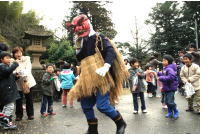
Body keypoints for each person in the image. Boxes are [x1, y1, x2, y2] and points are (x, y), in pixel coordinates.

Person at [66, 14, 128, 134]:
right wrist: (78, 46)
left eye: (80, 26)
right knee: (85, 104)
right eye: (76, 28)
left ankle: (121, 123)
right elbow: (81, 59)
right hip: (87, 78)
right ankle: (93, 129)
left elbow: (110, 51)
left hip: (102, 77)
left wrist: (106, 66)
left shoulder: (99, 37)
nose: (78, 29)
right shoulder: (80, 41)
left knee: (102, 105)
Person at [12, 47, 36, 121]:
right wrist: (16, 73)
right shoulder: (12, 61)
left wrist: (18, 73)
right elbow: (12, 71)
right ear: (13, 54)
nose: (18, 54)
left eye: (20, 52)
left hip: (27, 81)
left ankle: (30, 114)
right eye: (16, 53)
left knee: (29, 98)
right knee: (18, 100)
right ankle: (19, 115)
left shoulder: (27, 59)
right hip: (18, 82)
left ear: (22, 53)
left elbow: (28, 70)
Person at [0, 52, 20, 130]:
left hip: (8, 89)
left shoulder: (6, 66)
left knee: (7, 106)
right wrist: (15, 64)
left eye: (9, 58)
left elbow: (8, 76)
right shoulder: (1, 66)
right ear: (1, 59)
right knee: (10, 106)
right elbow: (7, 72)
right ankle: (6, 122)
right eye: (7, 58)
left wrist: (16, 76)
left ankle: (3, 120)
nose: (9, 59)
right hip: (6, 90)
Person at [157, 55, 179, 119]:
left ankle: (176, 112)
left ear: (168, 61)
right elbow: (165, 75)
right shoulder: (166, 68)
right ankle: (170, 112)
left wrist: (161, 77)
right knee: (167, 101)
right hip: (166, 87)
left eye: (164, 60)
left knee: (170, 101)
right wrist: (160, 73)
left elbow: (171, 77)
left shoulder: (169, 68)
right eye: (163, 60)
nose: (163, 62)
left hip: (171, 88)